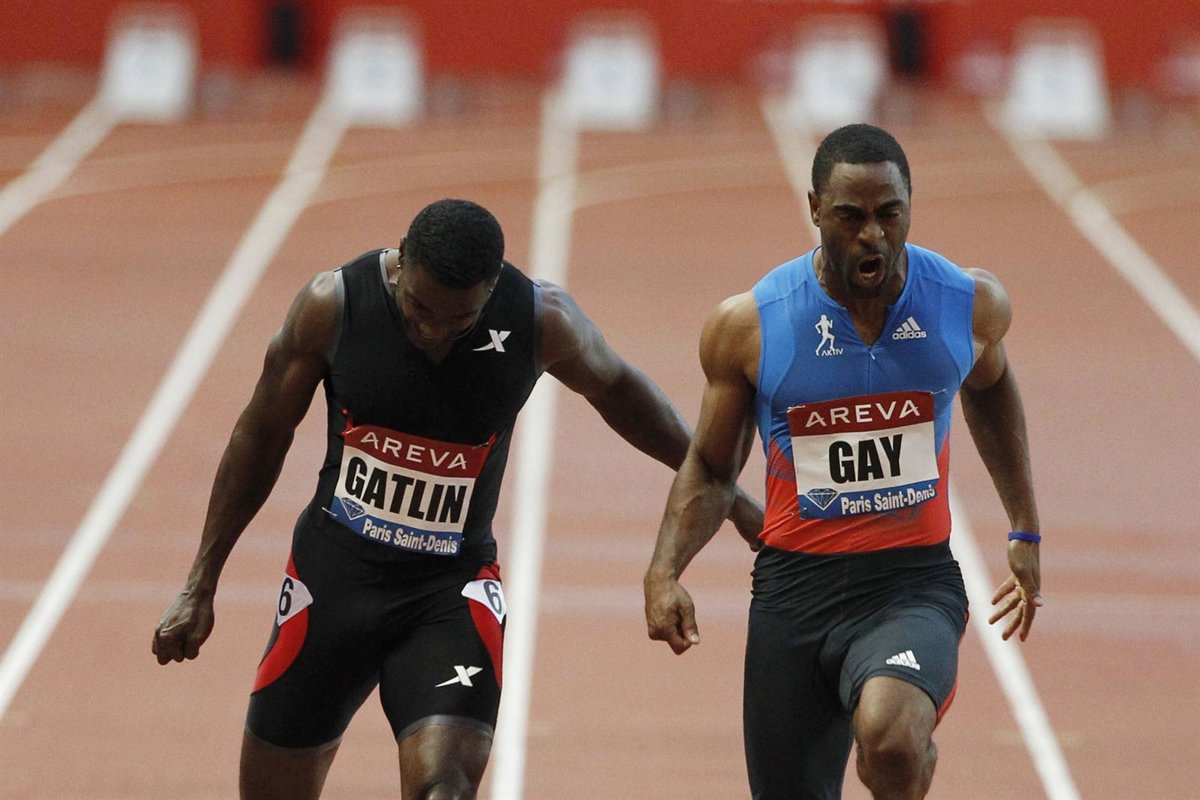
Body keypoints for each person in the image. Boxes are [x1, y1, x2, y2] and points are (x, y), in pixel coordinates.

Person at [152, 198, 762, 800]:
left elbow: (624, 396)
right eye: (418, 307)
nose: (432, 330)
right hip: (331, 585)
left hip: (448, 593)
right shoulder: (333, 306)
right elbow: (262, 433)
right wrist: (201, 582)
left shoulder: (541, 320)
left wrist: (729, 496)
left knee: (443, 788)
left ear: (490, 288)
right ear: (401, 261)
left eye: (458, 320)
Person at [643, 123, 1042, 799]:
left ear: (910, 206)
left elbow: (991, 386)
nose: (873, 235)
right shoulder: (752, 325)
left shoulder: (967, 304)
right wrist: (664, 572)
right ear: (815, 210)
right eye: (851, 216)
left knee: (890, 738)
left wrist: (1024, 528)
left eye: (890, 214)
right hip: (795, 592)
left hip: (911, 583)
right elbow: (711, 469)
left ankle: (906, 758)